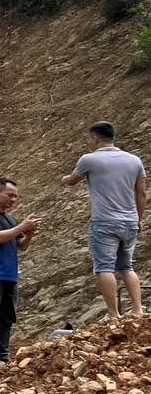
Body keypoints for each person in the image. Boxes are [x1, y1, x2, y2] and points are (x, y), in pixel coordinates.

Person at [62, 121, 146, 318]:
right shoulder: (134, 160)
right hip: (130, 221)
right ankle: (138, 310)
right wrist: (139, 219)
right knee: (127, 266)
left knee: (104, 267)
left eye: (90, 139)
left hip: (105, 222)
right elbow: (141, 193)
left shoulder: (89, 160)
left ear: (95, 138)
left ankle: (113, 314)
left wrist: (64, 179)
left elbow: (72, 180)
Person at [0, 178, 40, 364]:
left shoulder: (11, 219)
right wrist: (21, 227)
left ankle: (2, 356)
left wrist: (29, 234)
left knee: (7, 317)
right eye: (9, 195)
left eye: (15, 197)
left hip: (10, 275)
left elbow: (21, 246)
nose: (13, 199)